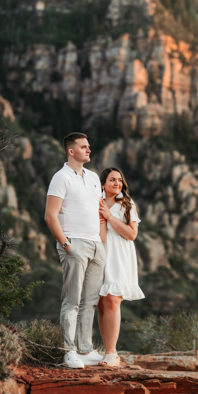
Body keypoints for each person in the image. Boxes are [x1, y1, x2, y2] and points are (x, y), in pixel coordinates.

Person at [44, 133, 106, 369]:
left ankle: (84, 349)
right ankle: (68, 350)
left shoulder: (92, 178)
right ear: (71, 151)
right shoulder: (61, 178)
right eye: (83, 146)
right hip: (74, 243)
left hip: (95, 245)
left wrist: (102, 245)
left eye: (88, 146)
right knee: (72, 300)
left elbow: (99, 213)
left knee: (90, 300)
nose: (89, 150)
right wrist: (66, 245)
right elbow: (50, 216)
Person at [98, 167, 144, 366]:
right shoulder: (96, 202)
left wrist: (109, 216)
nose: (117, 183)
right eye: (112, 179)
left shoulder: (126, 203)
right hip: (100, 252)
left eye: (119, 179)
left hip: (119, 254)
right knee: (101, 303)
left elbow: (132, 234)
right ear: (103, 184)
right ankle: (106, 352)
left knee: (113, 301)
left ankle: (111, 354)